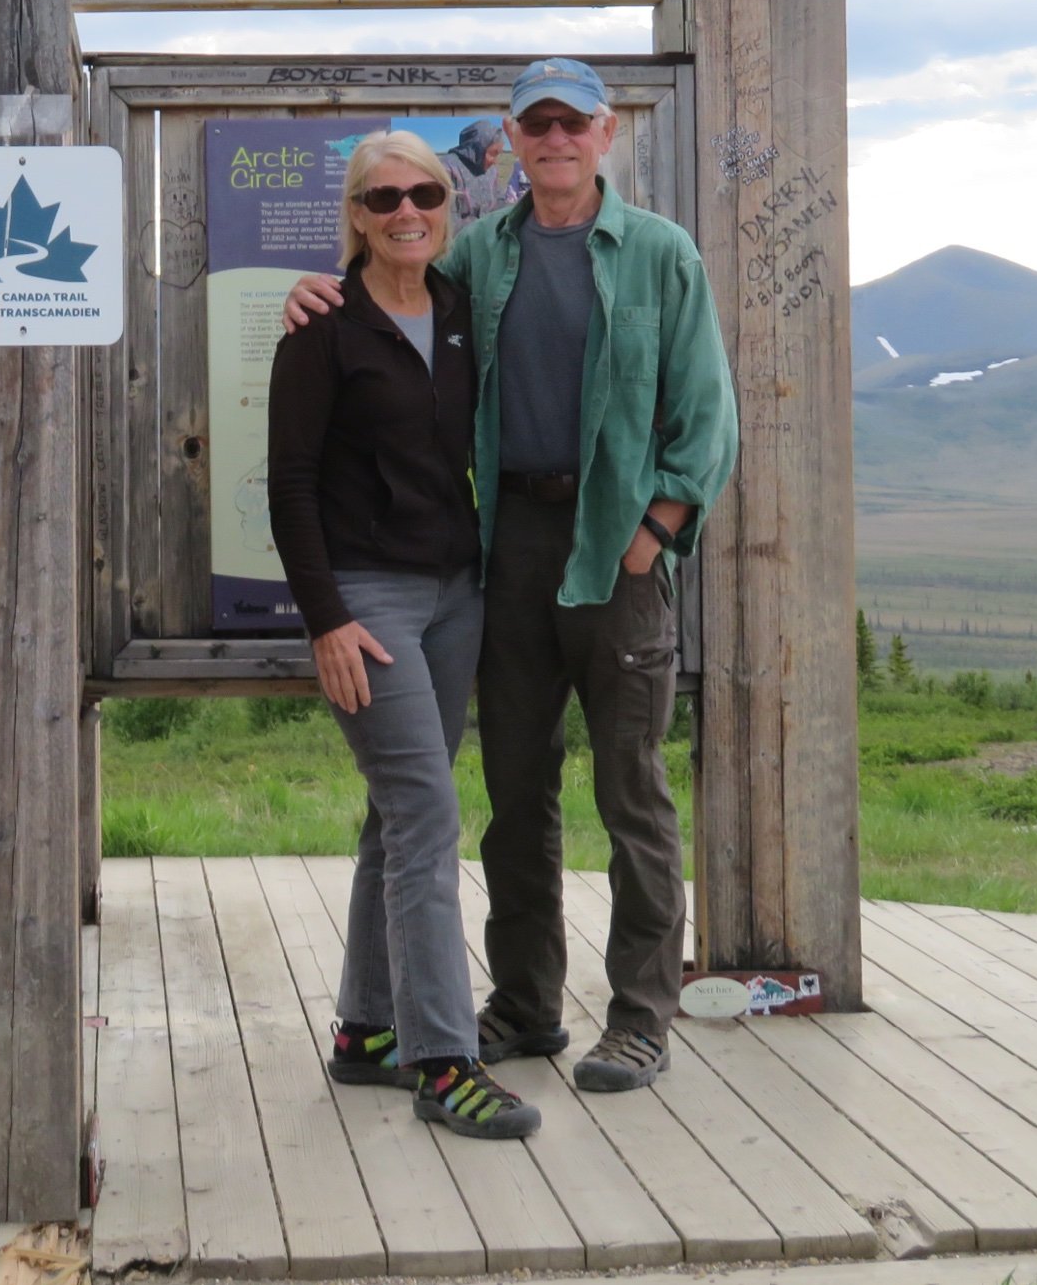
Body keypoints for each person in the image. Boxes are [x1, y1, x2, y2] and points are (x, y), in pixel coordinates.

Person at [285, 59, 737, 1093]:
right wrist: (311, 287)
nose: (554, 139)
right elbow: (384, 300)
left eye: (571, 122)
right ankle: (526, 1008)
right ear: (511, 137)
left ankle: (638, 1017)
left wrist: (650, 536)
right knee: (514, 795)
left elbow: (706, 418)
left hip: (616, 548)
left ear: (604, 132)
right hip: (508, 553)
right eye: (534, 124)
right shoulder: (480, 254)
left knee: (631, 793)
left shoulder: (662, 254)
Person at [267, 130, 540, 1140]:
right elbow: (290, 485)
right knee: (427, 814)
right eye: (382, 198)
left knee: (395, 815)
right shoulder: (323, 326)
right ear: (356, 215)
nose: (405, 211)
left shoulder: (462, 311)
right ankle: (442, 1059)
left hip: (453, 595)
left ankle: (365, 1032)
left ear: (446, 203)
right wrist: (326, 619)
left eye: (423, 191)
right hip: (369, 601)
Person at [441, 117, 509, 224]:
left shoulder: (491, 171)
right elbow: (446, 219)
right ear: (477, 149)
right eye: (493, 154)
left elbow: (499, 201)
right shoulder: (447, 168)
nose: (495, 161)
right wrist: (483, 230)